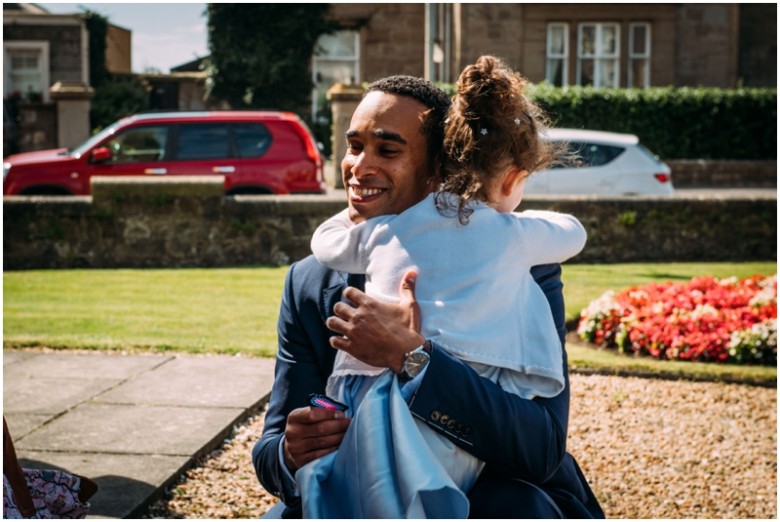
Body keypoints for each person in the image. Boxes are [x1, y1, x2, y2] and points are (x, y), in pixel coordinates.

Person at [252, 70, 604, 518]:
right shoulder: (310, 281)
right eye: (354, 146)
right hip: (361, 490)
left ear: (440, 168)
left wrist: (414, 358)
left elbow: (539, 447)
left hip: (496, 494)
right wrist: (291, 451)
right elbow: (269, 453)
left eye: (388, 150)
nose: (359, 167)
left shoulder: (520, 266)